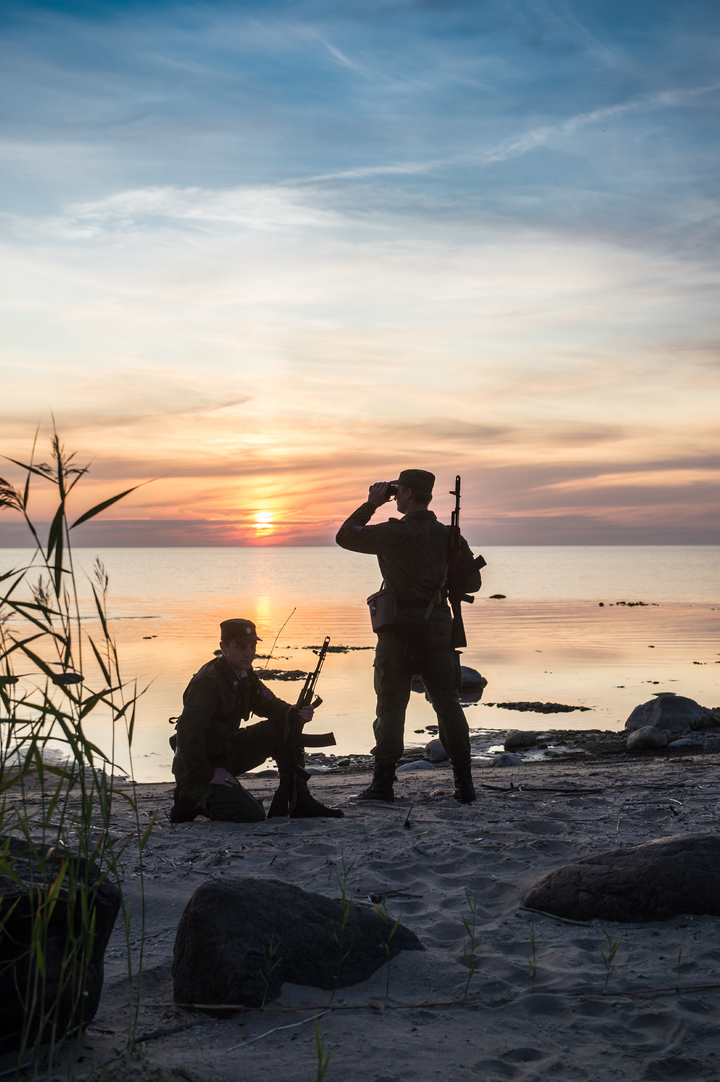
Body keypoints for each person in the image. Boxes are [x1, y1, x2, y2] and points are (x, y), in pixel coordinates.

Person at [335, 469, 482, 804]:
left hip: (398, 628)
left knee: (390, 705)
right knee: (447, 705)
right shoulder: (449, 536)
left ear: (407, 494)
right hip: (438, 629)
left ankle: (383, 785)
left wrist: (371, 503)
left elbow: (345, 537)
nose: (394, 496)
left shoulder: (394, 533)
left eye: (397, 491)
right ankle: (465, 785)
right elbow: (472, 585)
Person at [169, 618, 343, 823]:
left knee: (284, 729)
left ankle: (300, 800)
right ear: (224, 648)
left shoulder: (245, 675)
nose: (249, 653)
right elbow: (188, 734)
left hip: (227, 751)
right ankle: (190, 799)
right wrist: (206, 774)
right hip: (197, 768)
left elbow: (272, 706)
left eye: (252, 646)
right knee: (252, 814)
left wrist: (296, 713)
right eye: (240, 647)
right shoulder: (209, 682)